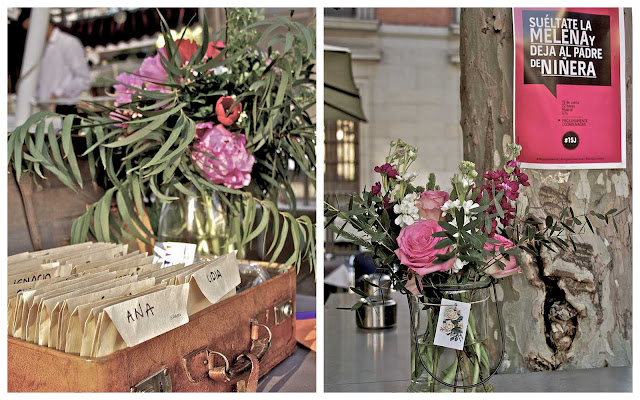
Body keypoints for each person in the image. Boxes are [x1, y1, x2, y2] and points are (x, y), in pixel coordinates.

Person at [20, 9, 91, 114]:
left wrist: (58, 93)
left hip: (68, 108)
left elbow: (84, 79)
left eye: (31, 29)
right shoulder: (39, 49)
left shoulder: (68, 43)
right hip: (46, 110)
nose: (30, 35)